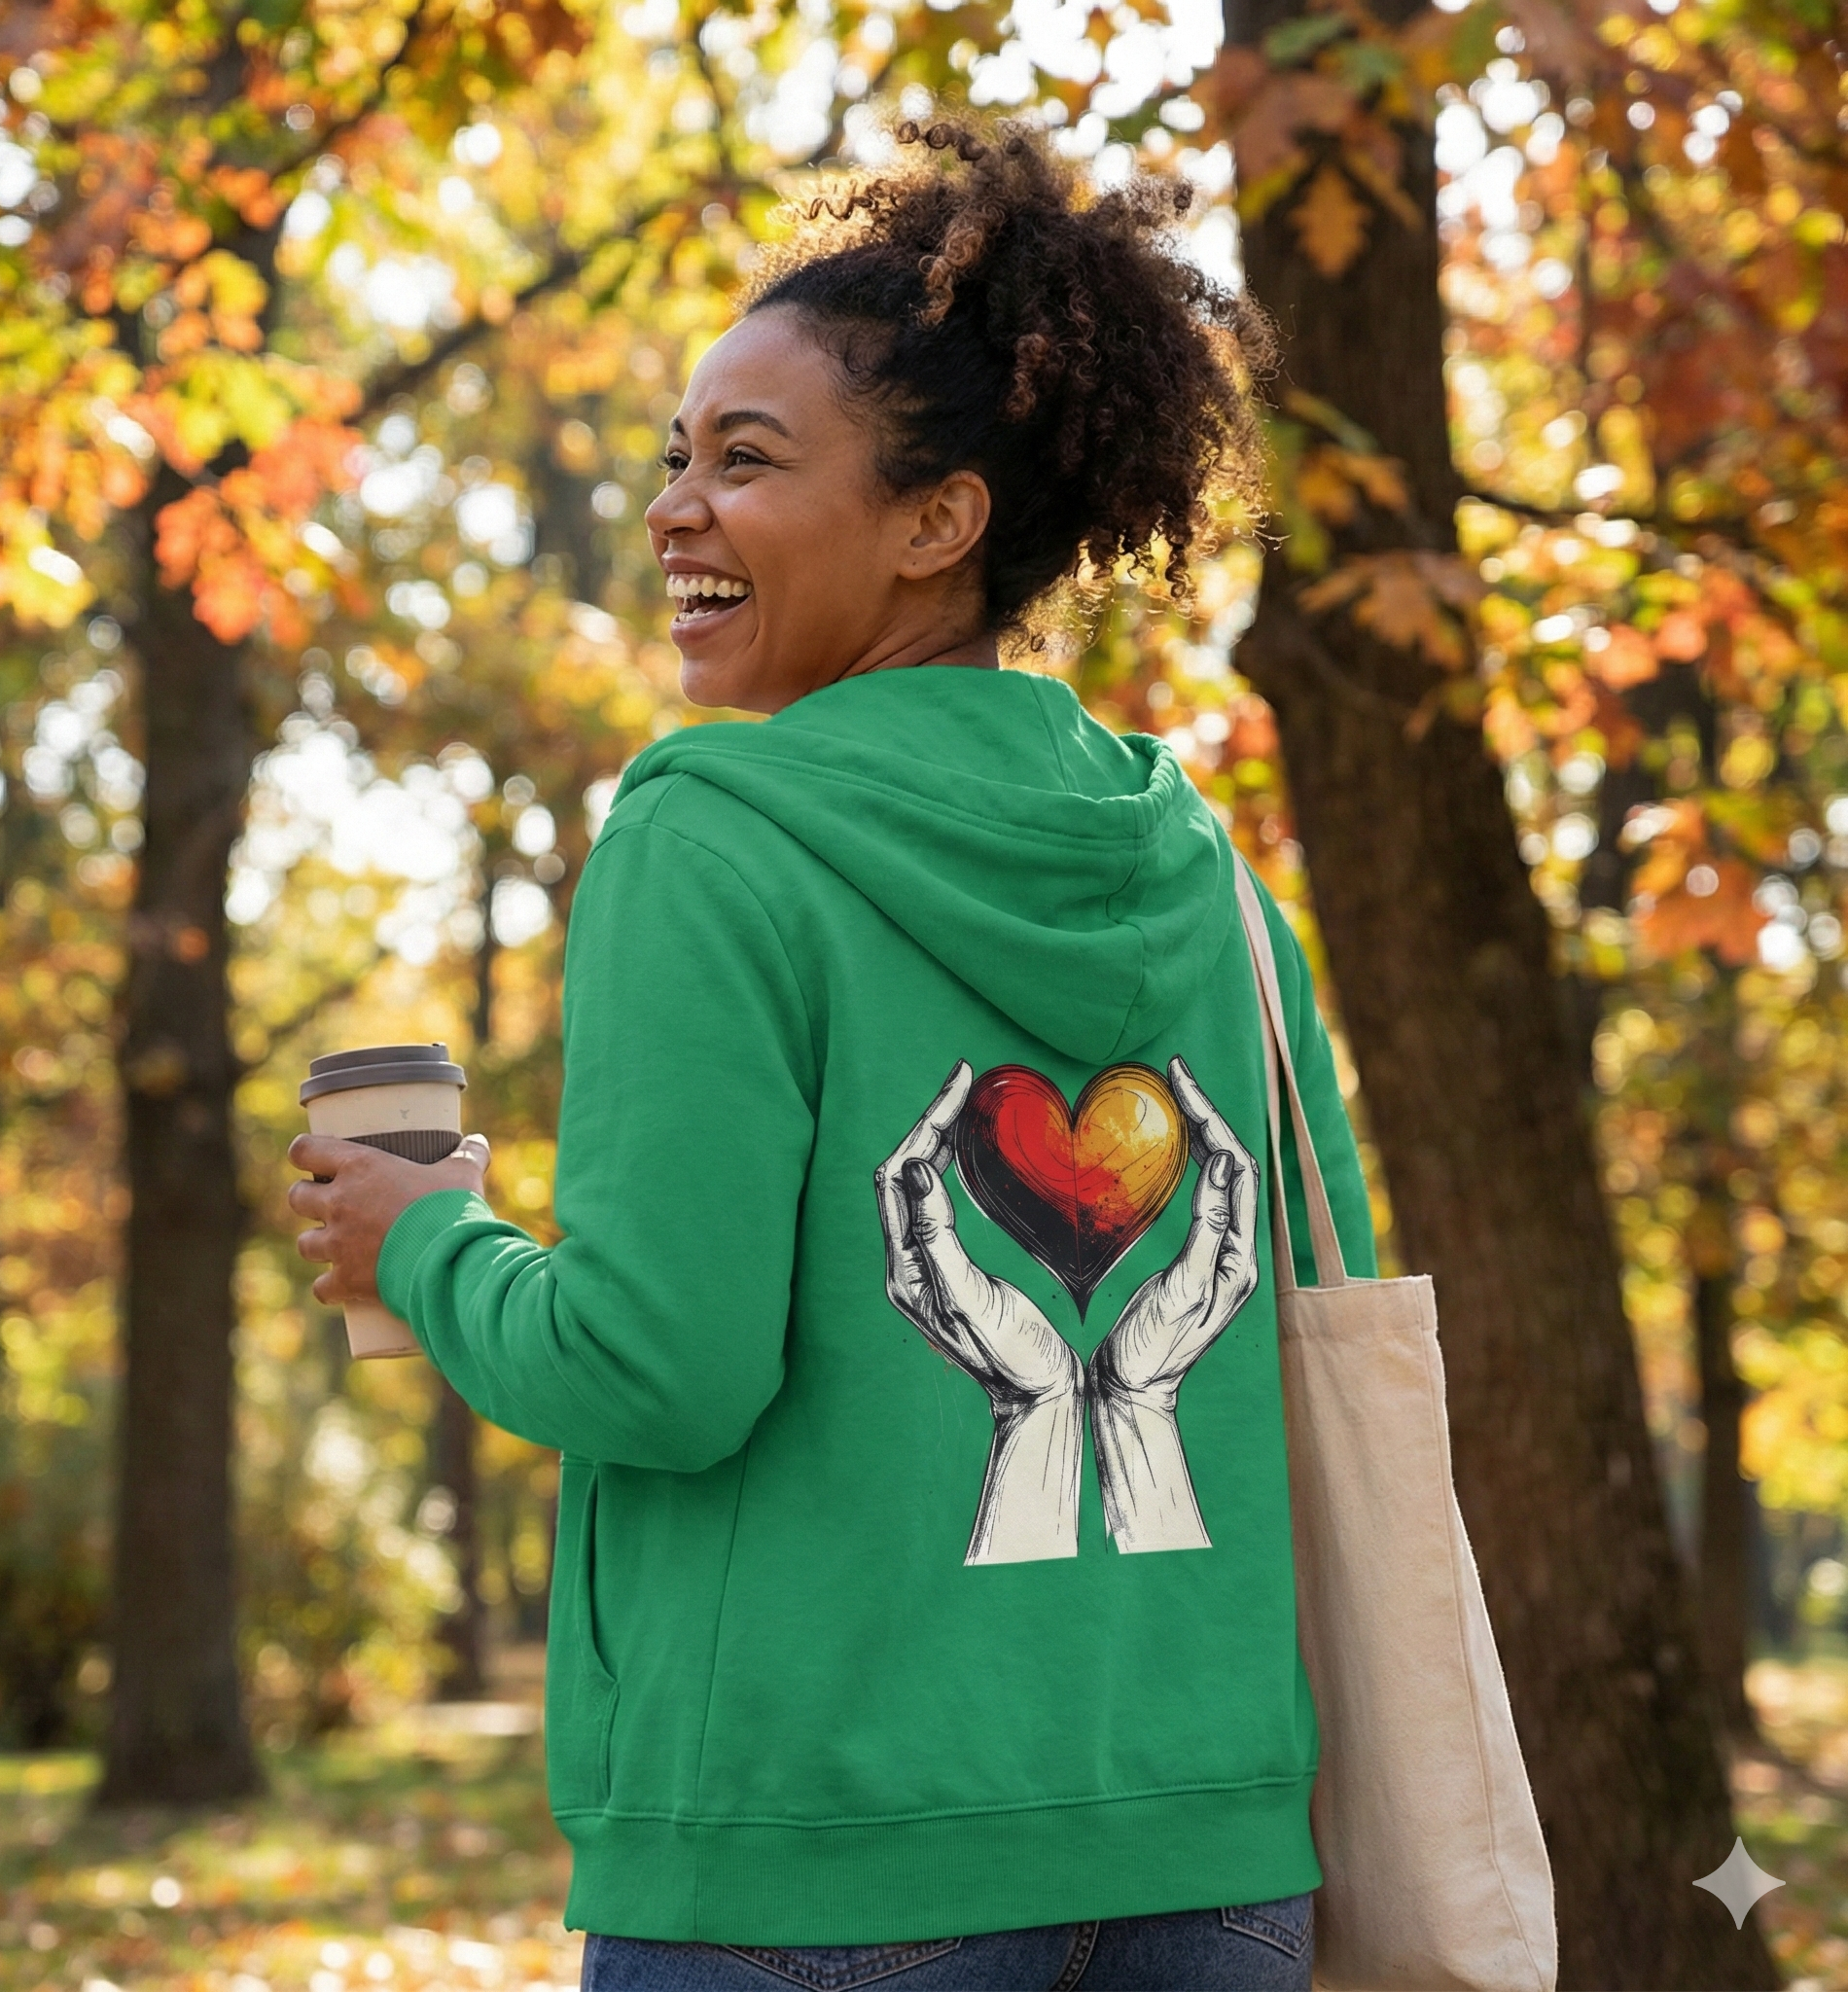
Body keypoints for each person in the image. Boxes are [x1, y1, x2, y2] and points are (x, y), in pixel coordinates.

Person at [289, 117, 1377, 1992]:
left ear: (937, 522)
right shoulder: (1213, 884)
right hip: (1212, 1860)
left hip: (815, 1854)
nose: (674, 509)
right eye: (675, 457)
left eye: (748, 459)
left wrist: (428, 1251)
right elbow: (1310, 1335)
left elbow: (657, 1371)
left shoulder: (713, 840)